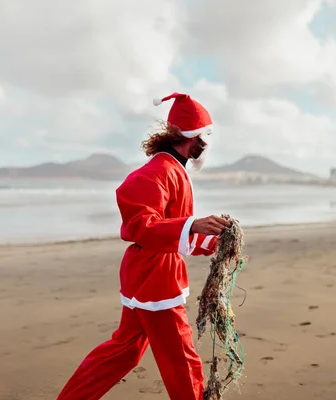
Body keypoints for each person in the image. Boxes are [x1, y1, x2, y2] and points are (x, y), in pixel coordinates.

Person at [56, 93, 231, 400]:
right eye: (207, 135)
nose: (208, 143)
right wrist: (193, 225)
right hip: (156, 279)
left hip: (148, 272)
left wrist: (215, 240)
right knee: (181, 359)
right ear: (193, 139)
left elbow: (172, 228)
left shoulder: (174, 169)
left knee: (125, 351)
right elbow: (141, 225)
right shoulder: (158, 171)